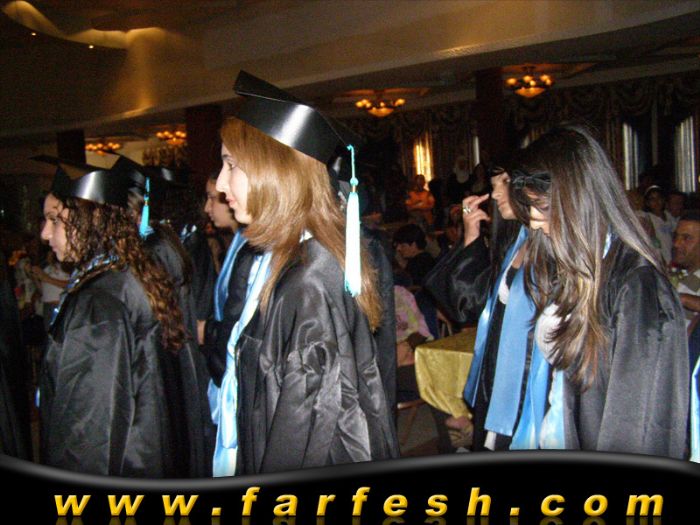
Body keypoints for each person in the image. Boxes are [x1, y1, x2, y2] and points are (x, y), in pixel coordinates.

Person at [209, 71, 398, 476]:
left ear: (274, 171)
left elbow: (307, 431)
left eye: (231, 164)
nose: (222, 184)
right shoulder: (291, 259)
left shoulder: (308, 280)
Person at [509, 125, 688, 458]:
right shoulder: (578, 265)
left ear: (579, 200)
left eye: (542, 207)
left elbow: (636, 427)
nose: (533, 221)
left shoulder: (637, 287)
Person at [35, 156, 201, 477]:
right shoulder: (123, 273)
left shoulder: (98, 303)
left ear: (88, 219)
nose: (44, 233)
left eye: (54, 220)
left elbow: (88, 433)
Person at [424, 166, 548, 451]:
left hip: (531, 381)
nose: (495, 194)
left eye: (504, 182)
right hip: (500, 374)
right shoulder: (517, 241)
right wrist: (471, 235)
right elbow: (467, 304)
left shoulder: (553, 245)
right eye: (493, 185)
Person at [642, 185, 675, 265]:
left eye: (659, 198)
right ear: (647, 203)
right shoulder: (647, 217)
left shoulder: (670, 217)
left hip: (672, 260)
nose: (656, 202)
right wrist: (660, 257)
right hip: (659, 259)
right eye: (652, 199)